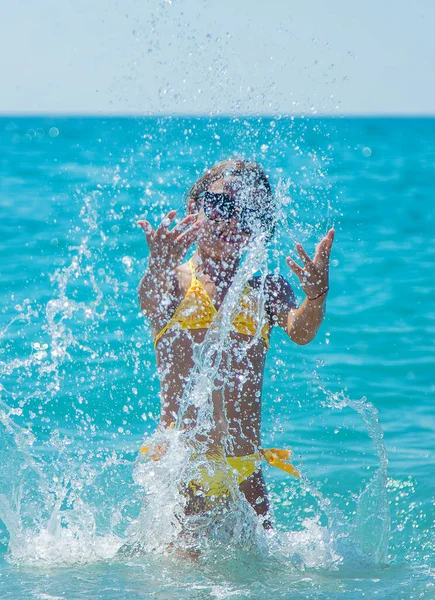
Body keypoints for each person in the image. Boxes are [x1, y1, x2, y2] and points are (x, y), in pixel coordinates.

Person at [137, 158, 334, 529]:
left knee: (261, 580)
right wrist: (158, 265)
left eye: (248, 213)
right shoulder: (176, 282)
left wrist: (317, 296)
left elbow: (301, 330)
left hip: (244, 469)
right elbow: (149, 299)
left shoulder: (266, 289)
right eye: (222, 206)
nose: (232, 222)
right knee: (181, 580)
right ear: (195, 208)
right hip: (182, 465)